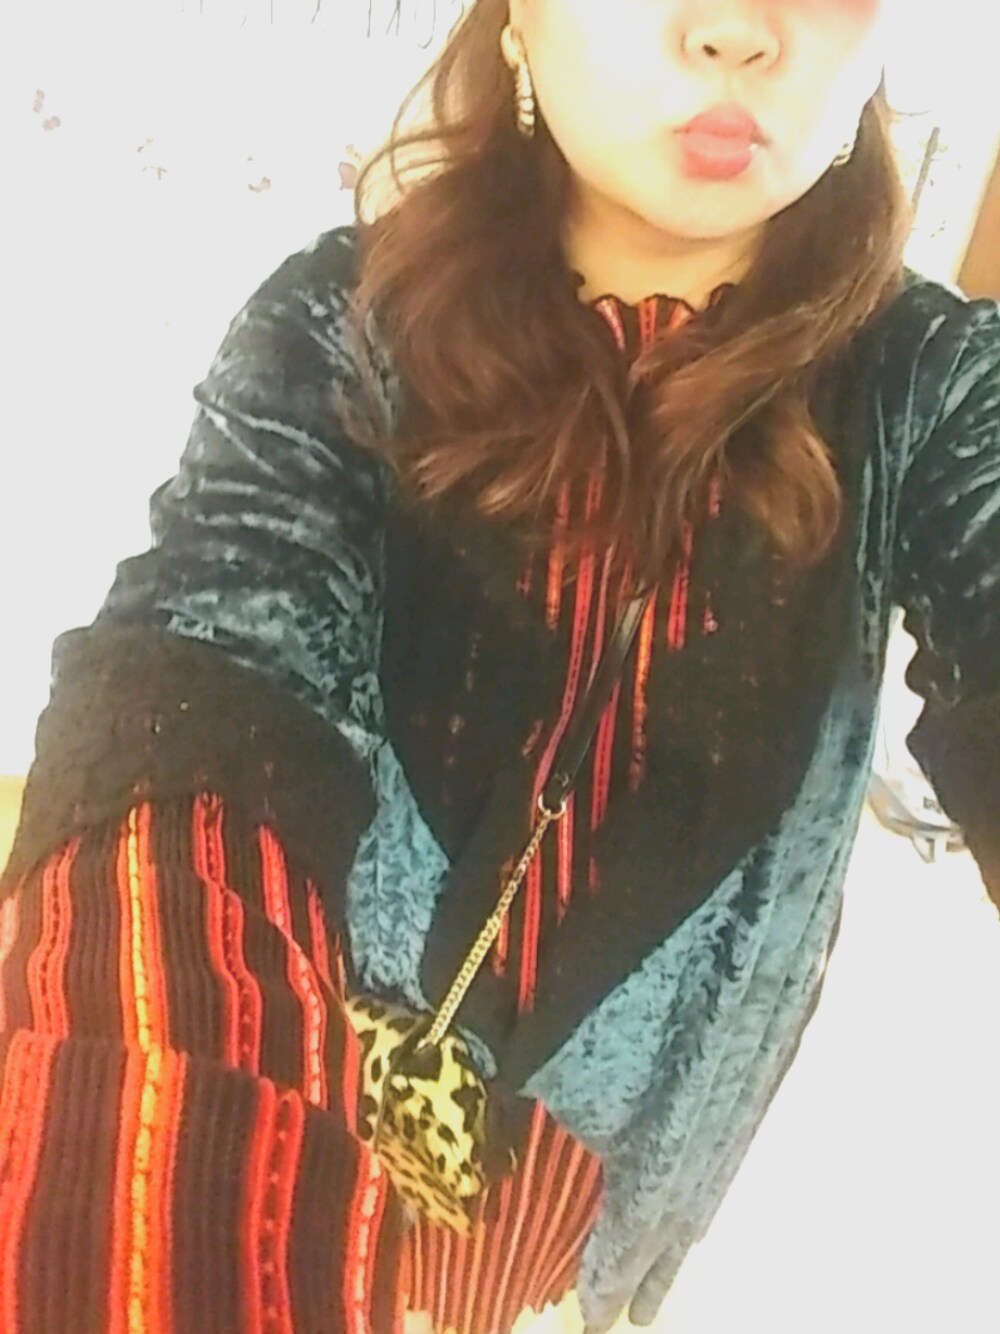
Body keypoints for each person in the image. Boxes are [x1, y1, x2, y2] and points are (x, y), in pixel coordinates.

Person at [1, 1, 998, 1331]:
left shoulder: (930, 389)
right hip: (294, 1094)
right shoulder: (345, 327)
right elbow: (202, 683)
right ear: (514, 20)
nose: (737, 28)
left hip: (581, 1207)